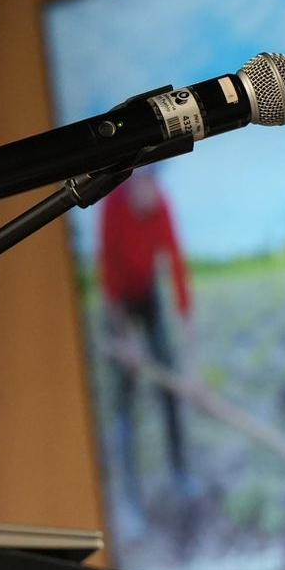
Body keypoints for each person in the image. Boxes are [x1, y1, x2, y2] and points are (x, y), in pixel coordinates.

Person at [99, 168, 194, 507]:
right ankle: (130, 499)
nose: (151, 194)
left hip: (148, 297)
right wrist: (125, 340)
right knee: (124, 400)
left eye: (156, 185)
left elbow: (177, 266)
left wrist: (187, 336)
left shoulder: (161, 206)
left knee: (168, 386)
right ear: (134, 183)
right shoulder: (112, 207)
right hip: (119, 304)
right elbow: (108, 277)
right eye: (145, 185)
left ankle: (180, 474)